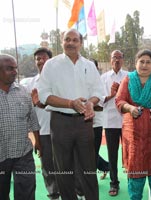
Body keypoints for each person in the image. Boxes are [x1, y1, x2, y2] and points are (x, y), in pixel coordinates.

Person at [37, 29, 101, 200]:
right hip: (60, 123)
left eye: (75, 40)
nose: (71, 43)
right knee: (63, 169)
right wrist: (70, 103)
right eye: (67, 39)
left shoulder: (88, 65)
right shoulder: (51, 65)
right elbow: (43, 95)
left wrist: (90, 103)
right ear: (61, 41)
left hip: (84, 123)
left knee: (88, 168)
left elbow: (98, 92)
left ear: (80, 43)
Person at [115, 49, 151, 200]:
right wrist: (130, 108)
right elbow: (119, 100)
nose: (145, 65)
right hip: (134, 136)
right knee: (135, 173)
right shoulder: (128, 79)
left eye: (148, 62)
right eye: (142, 61)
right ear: (136, 63)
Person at [0, 54, 41, 200]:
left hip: (23, 153)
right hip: (1, 155)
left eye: (15, 68)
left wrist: (39, 142)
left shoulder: (23, 92)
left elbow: (33, 119)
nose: (14, 72)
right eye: (9, 69)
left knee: (27, 191)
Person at [22, 47, 60, 200]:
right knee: (47, 165)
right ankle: (53, 193)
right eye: (38, 58)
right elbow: (28, 110)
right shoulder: (30, 84)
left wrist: (41, 103)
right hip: (42, 131)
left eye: (44, 58)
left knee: (64, 163)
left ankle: (69, 191)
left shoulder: (59, 81)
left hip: (60, 129)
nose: (41, 61)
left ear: (50, 60)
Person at [99, 50, 128, 196]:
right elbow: (99, 100)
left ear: (123, 60)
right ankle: (114, 183)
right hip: (110, 122)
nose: (117, 60)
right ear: (110, 60)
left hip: (127, 121)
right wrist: (112, 94)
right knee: (112, 154)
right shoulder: (103, 78)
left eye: (119, 57)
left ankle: (133, 181)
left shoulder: (129, 76)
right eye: (114, 57)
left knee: (130, 153)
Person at [90, 58, 109, 179]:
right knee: (88, 152)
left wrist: (89, 106)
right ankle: (106, 166)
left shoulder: (101, 82)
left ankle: (90, 180)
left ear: (96, 68)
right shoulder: (82, 82)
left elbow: (100, 104)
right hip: (82, 123)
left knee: (92, 152)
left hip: (96, 123)